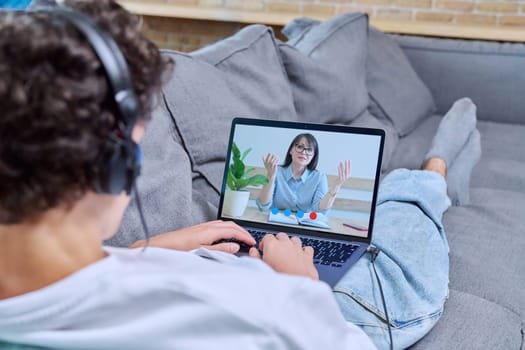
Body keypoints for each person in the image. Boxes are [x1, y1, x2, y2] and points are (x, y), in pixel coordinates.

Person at [0, 1, 482, 350]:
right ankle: (433, 174)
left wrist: (151, 247)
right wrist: (300, 288)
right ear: (116, 163)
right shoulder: (266, 316)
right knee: (400, 235)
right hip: (323, 297)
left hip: (235, 257)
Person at [256, 133, 351, 214]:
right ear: (291, 150)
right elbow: (263, 206)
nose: (303, 152)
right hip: (275, 224)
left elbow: (320, 210)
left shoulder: (319, 177)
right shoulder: (277, 171)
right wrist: (270, 176)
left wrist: (336, 186)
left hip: (303, 227)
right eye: (299, 147)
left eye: (309, 150)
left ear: (313, 155)